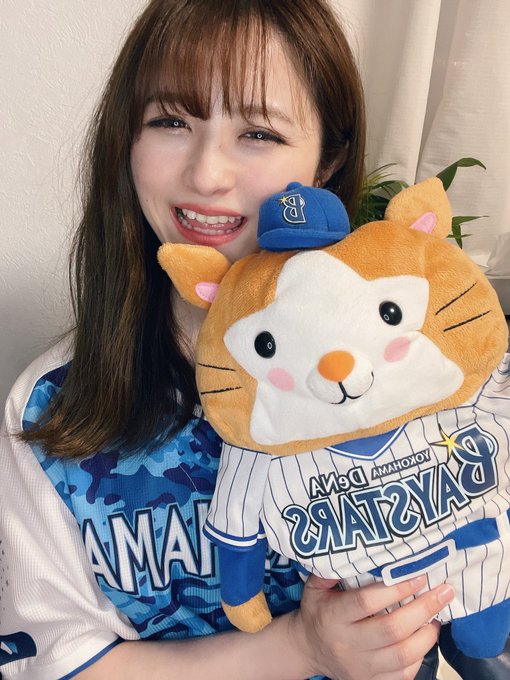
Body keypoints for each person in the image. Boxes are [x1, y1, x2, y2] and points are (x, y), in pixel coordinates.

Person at [3, 0, 505, 678]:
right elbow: (58, 660)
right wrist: (300, 647)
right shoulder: (51, 406)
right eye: (170, 121)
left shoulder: (428, 360)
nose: (207, 174)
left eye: (259, 133)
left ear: (328, 160)